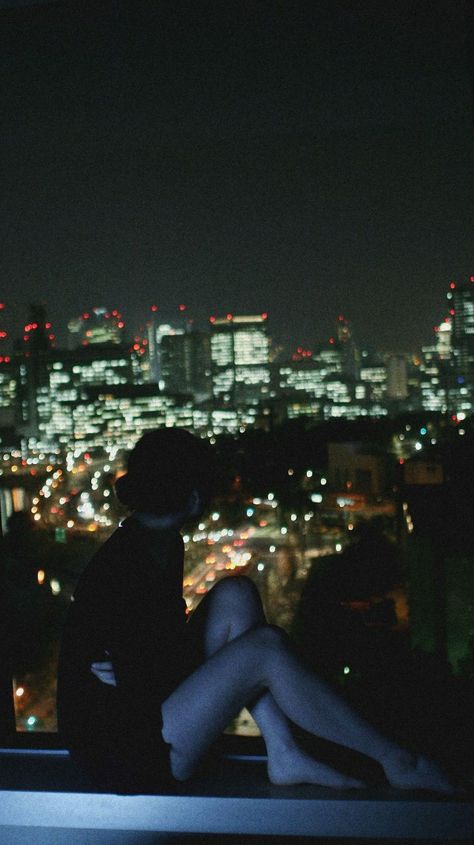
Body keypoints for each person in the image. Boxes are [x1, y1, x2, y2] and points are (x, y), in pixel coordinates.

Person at [57, 428, 455, 794]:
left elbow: (144, 658)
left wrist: (136, 664)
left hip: (130, 728)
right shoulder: (138, 558)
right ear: (194, 496)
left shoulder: (151, 540)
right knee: (265, 648)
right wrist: (136, 666)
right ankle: (398, 761)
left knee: (236, 593)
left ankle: (284, 753)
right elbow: (139, 671)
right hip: (132, 756)